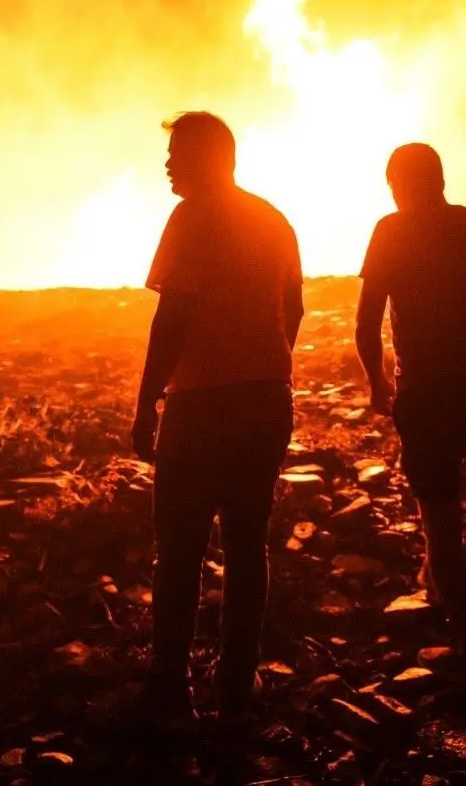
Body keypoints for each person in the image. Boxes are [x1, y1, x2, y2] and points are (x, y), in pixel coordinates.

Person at [132, 111, 304, 729]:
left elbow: (172, 317)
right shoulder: (272, 220)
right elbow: (296, 307)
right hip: (265, 399)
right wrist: (268, 364)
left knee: (179, 550)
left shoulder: (191, 217)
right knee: (246, 544)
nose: (170, 164)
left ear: (214, 157)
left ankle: (169, 687)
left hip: (201, 403)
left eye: (179, 153)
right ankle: (236, 685)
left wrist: (147, 400)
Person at [355, 143, 466, 653]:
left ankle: (464, 630)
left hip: (424, 394)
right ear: (439, 178)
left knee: (439, 508)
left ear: (397, 184)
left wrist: (376, 381)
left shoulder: (390, 231)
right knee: (444, 471)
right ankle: (439, 578)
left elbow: (366, 323)